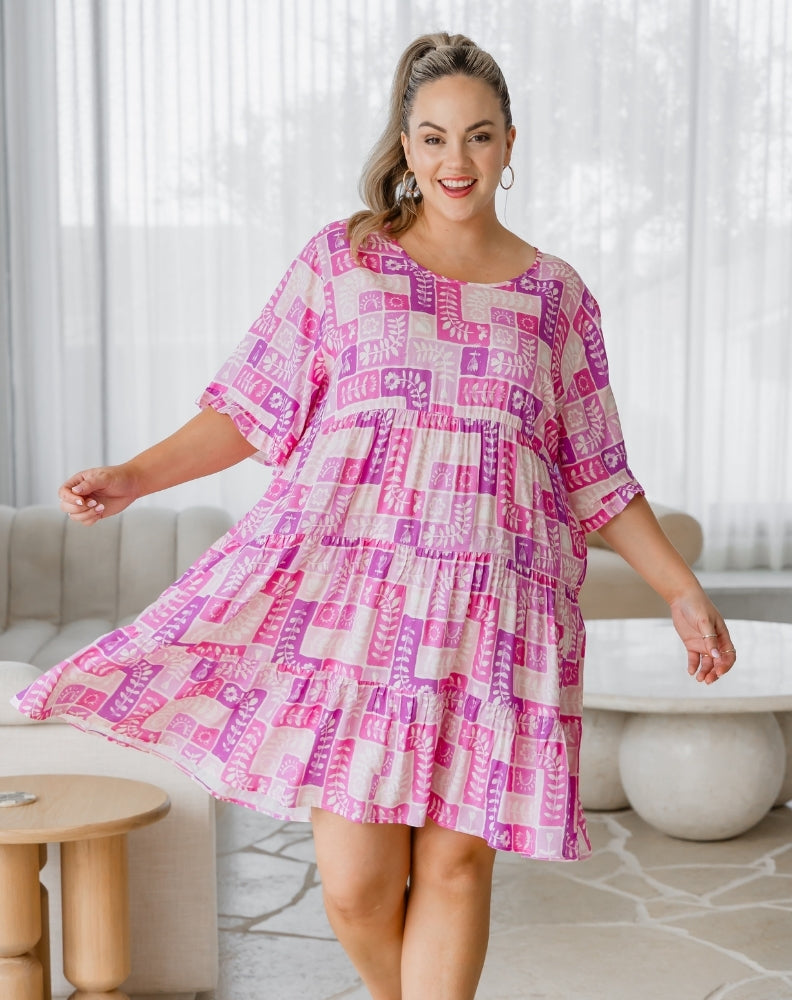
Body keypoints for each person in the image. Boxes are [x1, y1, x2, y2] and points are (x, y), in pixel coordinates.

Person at [13, 32, 736, 1000]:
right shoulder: (345, 261)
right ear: (403, 142)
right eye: (434, 136)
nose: (456, 161)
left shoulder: (555, 295)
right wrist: (137, 475)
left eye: (479, 137)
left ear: (511, 145)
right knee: (356, 887)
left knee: (454, 866)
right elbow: (252, 404)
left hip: (496, 614)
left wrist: (682, 590)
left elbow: (596, 470)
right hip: (355, 609)